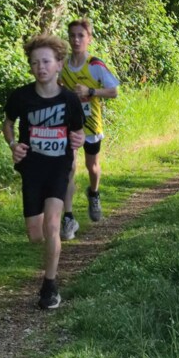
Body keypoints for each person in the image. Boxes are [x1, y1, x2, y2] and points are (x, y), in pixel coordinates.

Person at [3, 34, 85, 310]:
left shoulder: (70, 100)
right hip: (32, 169)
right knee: (35, 234)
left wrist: (78, 140)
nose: (41, 67)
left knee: (51, 225)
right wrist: (13, 145)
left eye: (46, 61)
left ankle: (49, 286)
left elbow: (78, 133)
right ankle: (52, 245)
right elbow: (8, 124)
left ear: (59, 64)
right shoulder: (21, 96)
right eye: (35, 62)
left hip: (58, 167)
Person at [59, 17, 119, 239]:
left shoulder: (95, 65)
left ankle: (94, 193)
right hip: (69, 124)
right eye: (72, 36)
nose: (76, 40)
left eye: (81, 36)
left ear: (89, 39)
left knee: (92, 166)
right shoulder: (63, 65)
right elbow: (56, 86)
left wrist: (90, 92)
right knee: (69, 168)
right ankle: (68, 218)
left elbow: (113, 91)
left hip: (91, 123)